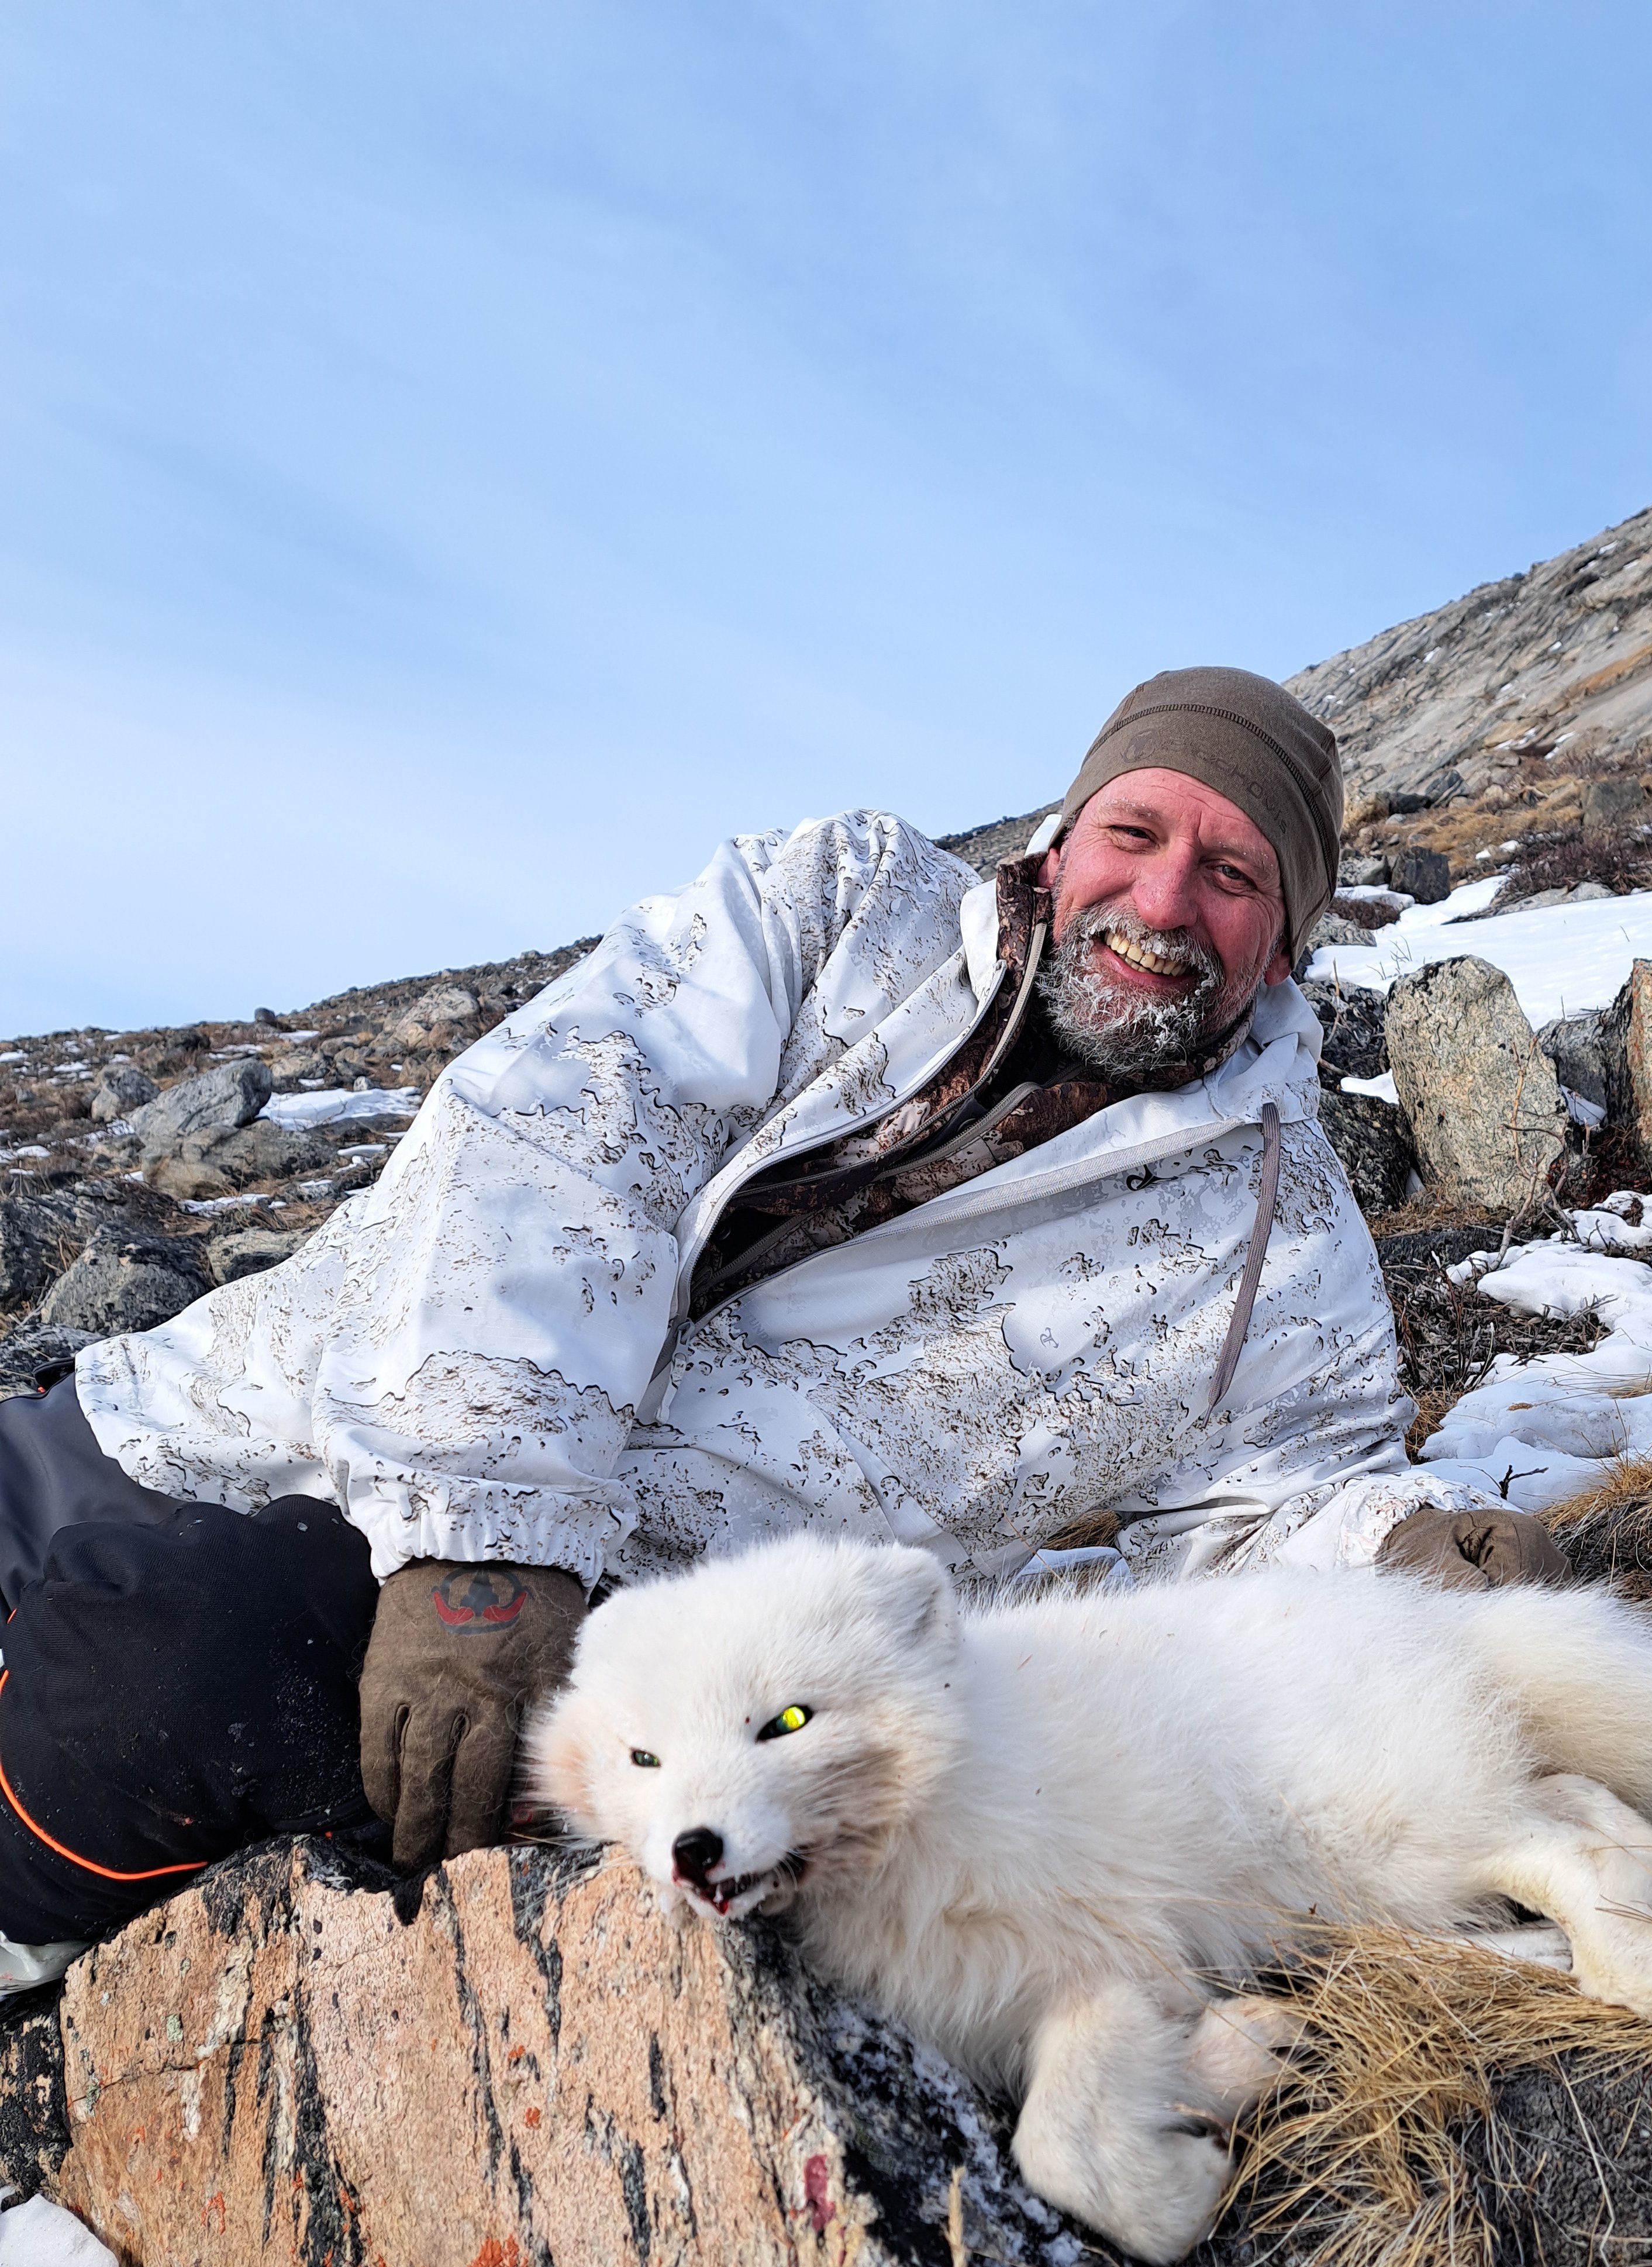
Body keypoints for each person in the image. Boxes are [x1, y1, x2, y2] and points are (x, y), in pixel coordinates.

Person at [0, 666, 1564, 1964]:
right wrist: (482, 1537)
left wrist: (1394, 1553)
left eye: (1232, 876)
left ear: (1285, 940)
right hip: (215, 1426)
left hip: (583, 1652)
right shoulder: (833, 907)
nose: (1161, 899)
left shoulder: (1272, 1254)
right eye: (1135, 832)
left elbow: (1258, 1516)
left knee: (182, 1669)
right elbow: (554, 1143)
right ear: (1057, 838)